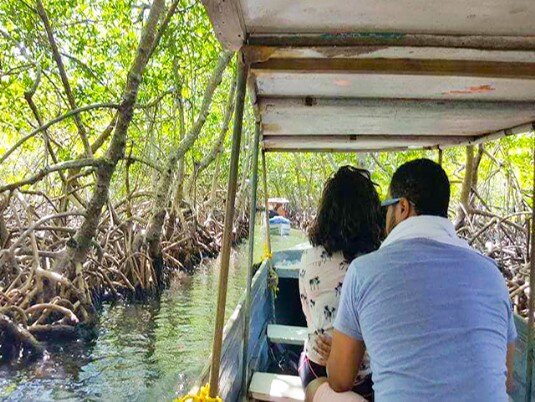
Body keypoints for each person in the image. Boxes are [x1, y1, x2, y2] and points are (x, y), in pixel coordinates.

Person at [308, 158, 517, 402]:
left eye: (387, 207)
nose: (385, 216)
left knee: (317, 387)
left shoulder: (364, 271)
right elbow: (506, 381)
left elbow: (340, 380)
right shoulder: (492, 273)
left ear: (403, 207)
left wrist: (337, 355)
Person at [298, 165, 383, 401]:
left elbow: (309, 315)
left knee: (307, 352)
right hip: (366, 382)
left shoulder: (308, 258)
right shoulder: (376, 264)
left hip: (315, 370)